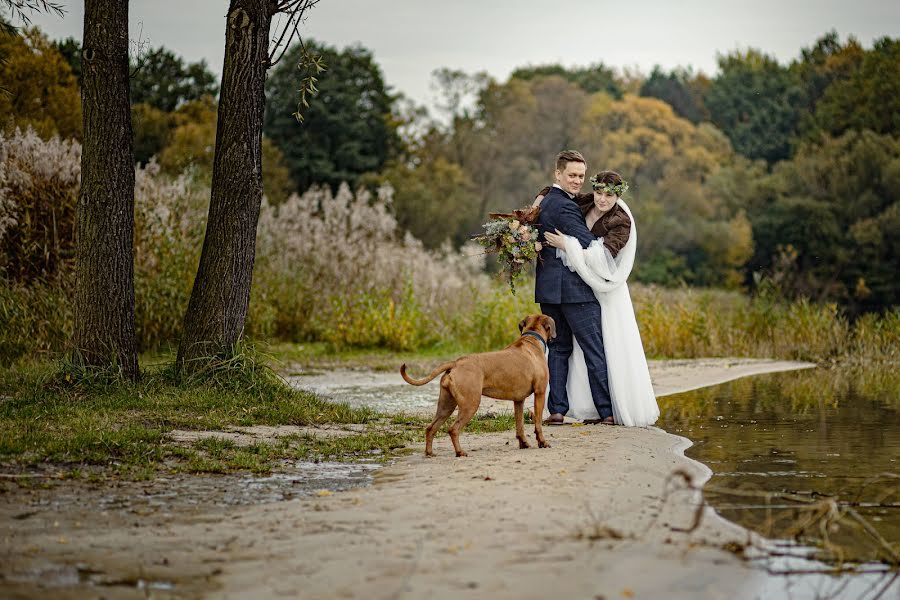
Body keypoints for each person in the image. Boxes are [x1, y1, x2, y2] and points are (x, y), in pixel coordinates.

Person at [541, 170, 659, 427]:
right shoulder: (585, 202)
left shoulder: (621, 222)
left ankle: (607, 411)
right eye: (599, 192)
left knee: (597, 349)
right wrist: (541, 198)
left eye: (609, 195)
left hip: (605, 288)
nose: (602, 200)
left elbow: (605, 257)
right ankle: (563, 408)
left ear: (618, 195)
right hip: (580, 284)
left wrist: (567, 245)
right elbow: (560, 194)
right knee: (563, 348)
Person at [533, 150, 615, 426]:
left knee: (558, 349)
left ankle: (557, 411)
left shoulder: (544, 201)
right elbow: (587, 243)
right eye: (572, 175)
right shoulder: (565, 207)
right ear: (558, 174)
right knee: (594, 348)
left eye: (581, 176)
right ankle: (606, 411)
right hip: (574, 290)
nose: (578, 181)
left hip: (548, 289)